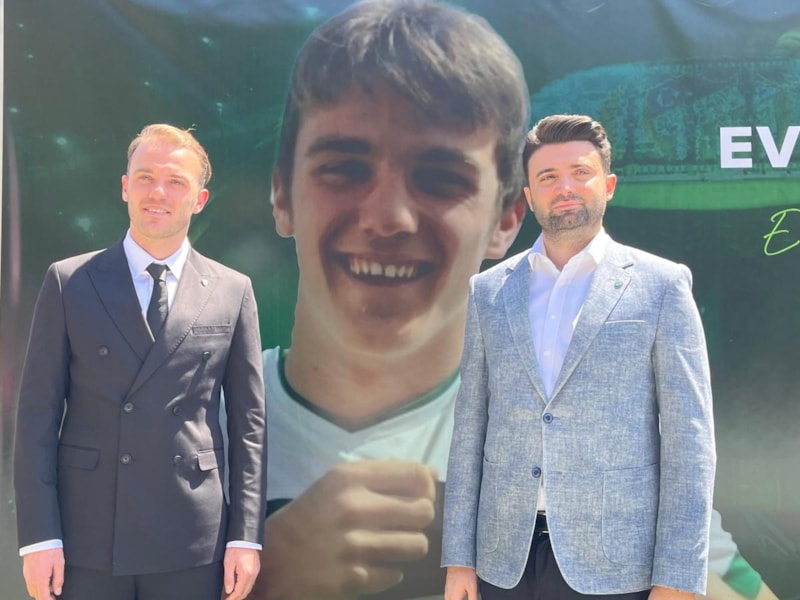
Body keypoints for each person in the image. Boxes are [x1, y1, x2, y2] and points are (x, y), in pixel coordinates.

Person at [249, 1, 530, 598]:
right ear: (282, 195)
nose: (388, 217)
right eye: (344, 168)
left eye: (442, 178)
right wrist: (264, 581)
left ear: (506, 219)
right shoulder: (175, 427)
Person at [441, 114, 717, 600]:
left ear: (608, 185)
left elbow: (689, 442)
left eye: (580, 172)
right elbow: (469, 431)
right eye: (548, 177)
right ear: (529, 197)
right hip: (504, 562)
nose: (565, 187)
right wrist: (460, 559)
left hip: (616, 566)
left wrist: (677, 579)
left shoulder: (661, 286)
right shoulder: (489, 291)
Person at [13, 124, 267, 600]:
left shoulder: (232, 291)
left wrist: (245, 536)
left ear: (199, 199)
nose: (158, 193)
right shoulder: (70, 281)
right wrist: (40, 537)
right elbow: (36, 416)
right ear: (125, 187)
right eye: (146, 177)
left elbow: (248, 425)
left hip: (193, 536)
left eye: (176, 182)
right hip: (87, 533)